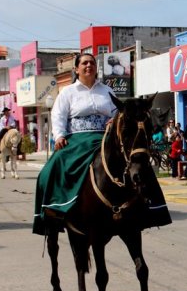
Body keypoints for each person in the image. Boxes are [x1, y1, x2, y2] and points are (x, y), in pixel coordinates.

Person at [33, 53, 170, 235]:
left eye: (91, 63)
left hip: (105, 136)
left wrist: (115, 120)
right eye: (84, 63)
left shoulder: (107, 90)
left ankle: (152, 206)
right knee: (51, 167)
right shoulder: (67, 92)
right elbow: (58, 115)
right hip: (77, 139)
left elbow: (118, 112)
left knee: (138, 160)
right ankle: (53, 208)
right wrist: (59, 136)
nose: (88, 66)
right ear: (76, 69)